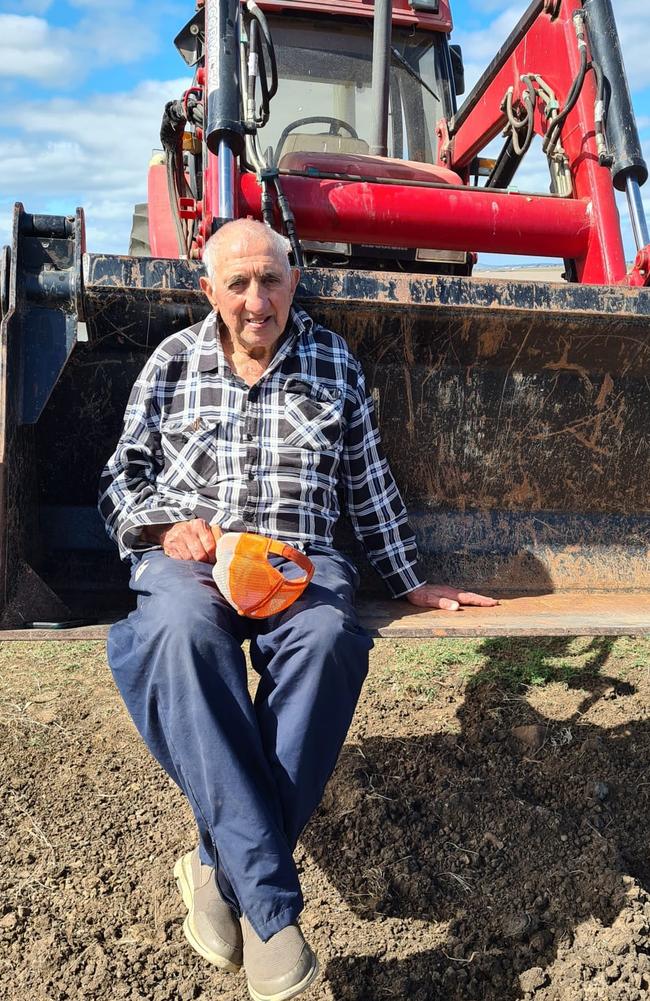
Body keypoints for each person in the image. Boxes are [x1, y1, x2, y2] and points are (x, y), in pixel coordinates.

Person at [98, 219, 496, 1001]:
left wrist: (409, 578)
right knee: (173, 632)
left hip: (297, 565)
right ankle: (272, 912)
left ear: (295, 277)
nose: (257, 299)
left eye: (271, 280)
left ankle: (219, 869)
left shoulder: (333, 361)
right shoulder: (172, 363)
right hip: (198, 566)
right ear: (206, 288)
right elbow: (122, 475)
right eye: (238, 283)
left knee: (331, 638)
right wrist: (160, 525)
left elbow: (368, 482)